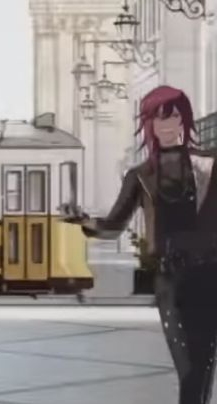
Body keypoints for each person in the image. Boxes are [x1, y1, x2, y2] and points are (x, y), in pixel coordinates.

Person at [61, 85, 217, 404]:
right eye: (159, 119)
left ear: (185, 120)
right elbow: (113, 225)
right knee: (189, 369)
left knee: (202, 367)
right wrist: (82, 220)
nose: (167, 126)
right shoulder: (141, 175)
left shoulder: (210, 165)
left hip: (211, 276)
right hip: (171, 282)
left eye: (173, 117)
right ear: (149, 125)